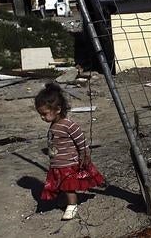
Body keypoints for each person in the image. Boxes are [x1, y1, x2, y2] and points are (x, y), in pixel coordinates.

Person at [35, 83, 105, 220]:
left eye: (44, 114)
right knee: (60, 184)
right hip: (57, 163)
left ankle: (72, 205)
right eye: (40, 115)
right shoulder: (54, 125)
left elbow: (81, 140)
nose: (42, 117)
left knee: (68, 186)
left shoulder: (68, 125)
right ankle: (67, 201)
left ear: (58, 109)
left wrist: (84, 154)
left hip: (68, 163)